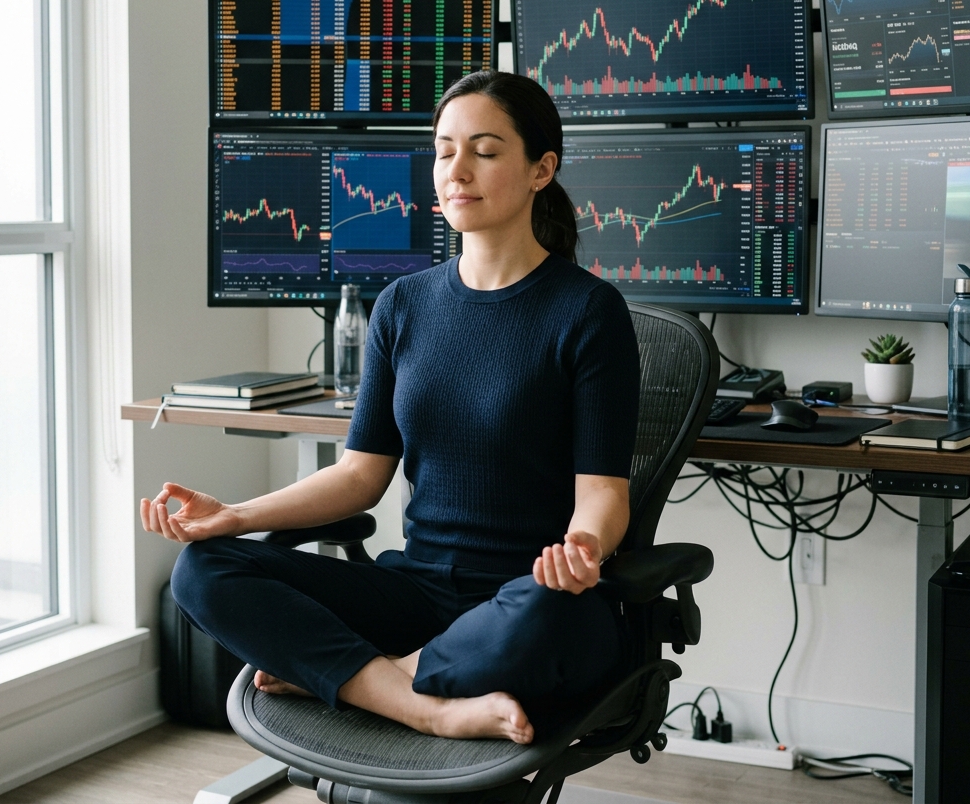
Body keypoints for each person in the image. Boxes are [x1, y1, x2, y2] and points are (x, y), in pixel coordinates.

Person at [141, 71, 640, 744]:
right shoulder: (401, 306)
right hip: (414, 594)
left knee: (558, 616)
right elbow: (359, 476)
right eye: (444, 150)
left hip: (522, 596)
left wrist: (582, 548)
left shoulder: (587, 311)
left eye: (485, 151)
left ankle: (355, 678)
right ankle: (425, 704)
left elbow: (603, 494)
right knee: (203, 568)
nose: (456, 170)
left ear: (540, 169)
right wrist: (235, 515)